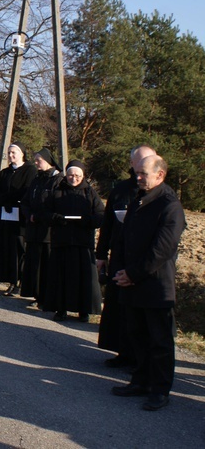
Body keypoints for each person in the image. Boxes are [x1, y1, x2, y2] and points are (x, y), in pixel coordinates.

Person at [111, 155, 185, 411]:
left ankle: (159, 389)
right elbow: (124, 237)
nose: (137, 177)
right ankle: (140, 381)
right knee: (137, 335)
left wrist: (132, 273)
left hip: (154, 285)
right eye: (137, 173)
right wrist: (120, 270)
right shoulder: (138, 200)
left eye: (143, 173)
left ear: (160, 175)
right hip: (131, 282)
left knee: (159, 340)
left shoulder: (169, 205)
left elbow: (162, 249)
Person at [96, 145, 156, 368]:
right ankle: (123, 351)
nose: (141, 169)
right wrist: (101, 254)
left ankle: (143, 356)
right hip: (120, 254)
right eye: (138, 164)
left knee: (140, 308)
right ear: (131, 164)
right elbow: (107, 224)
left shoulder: (158, 192)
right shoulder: (120, 190)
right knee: (120, 306)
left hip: (145, 260)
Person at [41, 160, 104, 322]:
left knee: (83, 279)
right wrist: (55, 218)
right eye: (70, 175)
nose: (73, 178)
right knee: (61, 278)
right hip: (62, 242)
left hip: (83, 243)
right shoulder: (57, 191)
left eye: (77, 176)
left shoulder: (89, 193)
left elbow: (100, 215)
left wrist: (87, 221)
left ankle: (84, 310)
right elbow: (45, 212)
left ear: (82, 176)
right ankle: (61, 309)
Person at [20, 148, 62, 306]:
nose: (36, 163)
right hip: (33, 230)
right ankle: (37, 295)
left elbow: (54, 204)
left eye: (39, 160)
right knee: (35, 265)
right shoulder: (36, 179)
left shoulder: (57, 180)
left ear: (48, 161)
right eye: (35, 160)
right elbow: (25, 201)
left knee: (47, 266)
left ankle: (47, 297)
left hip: (48, 232)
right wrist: (29, 213)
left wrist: (40, 216)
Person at [0, 142, 37, 296]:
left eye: (14, 153)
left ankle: (21, 282)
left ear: (22, 153)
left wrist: (11, 200)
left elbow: (26, 191)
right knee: (9, 249)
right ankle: (12, 280)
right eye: (9, 153)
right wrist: (4, 201)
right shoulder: (5, 172)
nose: (11, 156)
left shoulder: (30, 171)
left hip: (21, 218)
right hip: (6, 216)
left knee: (20, 249)